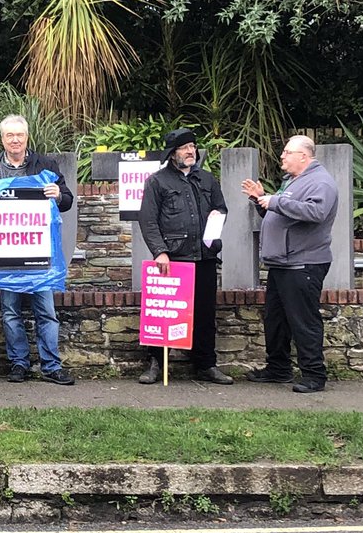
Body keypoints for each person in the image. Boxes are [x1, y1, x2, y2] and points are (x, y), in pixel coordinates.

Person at [0, 114, 75, 385]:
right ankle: (19, 364)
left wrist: (58, 194)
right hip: (6, 253)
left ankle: (51, 366)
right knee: (10, 312)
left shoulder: (45, 165)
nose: (15, 140)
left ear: (27, 137)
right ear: (2, 139)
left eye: (20, 135)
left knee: (46, 312)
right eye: (9, 135)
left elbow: (67, 201)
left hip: (40, 254)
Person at [242, 135, 339, 393]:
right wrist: (262, 201)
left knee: (303, 320)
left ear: (303, 157)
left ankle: (314, 376)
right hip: (283, 263)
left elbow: (315, 213)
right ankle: (278, 368)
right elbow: (284, 215)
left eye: (287, 152)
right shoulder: (294, 181)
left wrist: (276, 201)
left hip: (303, 264)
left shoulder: (321, 183)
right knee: (276, 319)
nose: (282, 156)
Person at [136, 127, 232, 385]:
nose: (191, 151)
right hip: (173, 259)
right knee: (164, 313)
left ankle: (206, 365)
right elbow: (148, 220)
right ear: (172, 153)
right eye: (184, 148)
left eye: (193, 146)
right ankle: (156, 363)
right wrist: (160, 252)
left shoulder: (208, 179)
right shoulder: (157, 181)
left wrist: (215, 223)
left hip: (205, 257)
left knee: (205, 315)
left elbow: (220, 209)